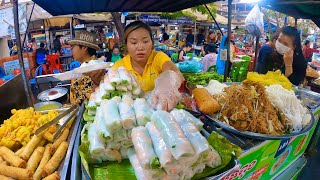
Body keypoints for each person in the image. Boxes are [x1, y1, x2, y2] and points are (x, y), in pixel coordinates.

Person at [113, 21, 184, 110]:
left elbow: (173, 70)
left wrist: (168, 81)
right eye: (134, 43)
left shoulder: (158, 57)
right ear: (126, 45)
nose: (140, 47)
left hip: (161, 112)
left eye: (145, 41)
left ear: (152, 43)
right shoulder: (119, 66)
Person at [68, 31, 103, 104]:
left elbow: (86, 99)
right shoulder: (85, 66)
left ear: (84, 47)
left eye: (73, 46)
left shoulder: (92, 69)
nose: (71, 50)